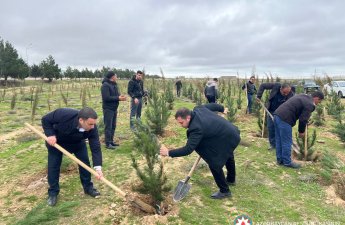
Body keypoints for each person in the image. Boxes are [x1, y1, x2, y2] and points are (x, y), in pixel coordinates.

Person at [160, 103, 241, 199]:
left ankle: (225, 191)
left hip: (226, 136)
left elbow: (188, 149)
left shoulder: (196, 128)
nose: (180, 125)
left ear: (188, 118)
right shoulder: (199, 109)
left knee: (214, 163)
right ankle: (231, 179)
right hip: (231, 133)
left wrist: (168, 152)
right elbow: (213, 106)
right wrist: (222, 108)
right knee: (228, 153)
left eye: (181, 123)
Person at [41, 107, 103, 206]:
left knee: (84, 164)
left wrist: (98, 167)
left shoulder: (92, 128)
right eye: (90, 124)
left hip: (77, 143)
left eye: (94, 124)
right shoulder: (64, 114)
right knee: (53, 166)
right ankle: (53, 193)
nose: (93, 127)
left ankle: (88, 188)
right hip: (57, 142)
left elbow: (95, 147)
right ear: (81, 120)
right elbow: (46, 119)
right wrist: (50, 135)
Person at [274, 91, 324, 168]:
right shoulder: (310, 104)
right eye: (319, 101)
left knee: (279, 140)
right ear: (316, 98)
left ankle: (280, 160)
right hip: (285, 118)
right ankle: (287, 162)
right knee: (287, 142)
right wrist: (301, 131)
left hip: (277, 115)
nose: (318, 104)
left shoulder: (303, 95)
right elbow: (303, 119)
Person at [256, 83, 294, 150]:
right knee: (271, 127)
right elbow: (263, 86)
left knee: (281, 128)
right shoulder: (276, 86)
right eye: (284, 92)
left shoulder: (291, 94)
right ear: (281, 89)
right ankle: (273, 145)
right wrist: (259, 96)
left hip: (282, 112)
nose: (286, 94)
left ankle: (282, 144)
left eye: (287, 93)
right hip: (271, 110)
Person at [101, 71, 127, 149]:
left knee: (113, 126)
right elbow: (106, 98)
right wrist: (118, 98)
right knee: (108, 126)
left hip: (114, 108)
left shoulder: (114, 85)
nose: (117, 77)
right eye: (116, 76)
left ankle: (111, 141)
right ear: (112, 77)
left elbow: (116, 95)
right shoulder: (105, 85)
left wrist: (120, 96)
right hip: (108, 109)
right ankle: (107, 143)